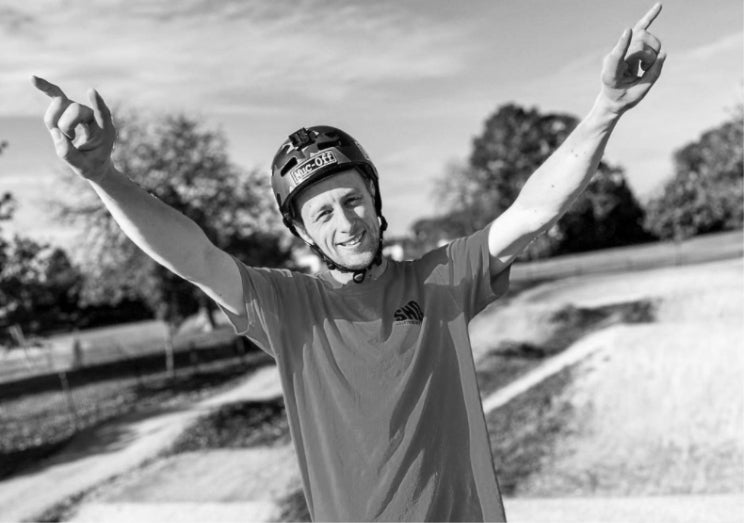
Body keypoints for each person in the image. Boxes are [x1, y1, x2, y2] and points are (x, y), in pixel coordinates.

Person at [33, 4, 665, 521]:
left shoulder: (440, 280)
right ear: (302, 231)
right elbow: (193, 256)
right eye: (324, 213)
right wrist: (104, 176)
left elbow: (532, 211)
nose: (346, 222)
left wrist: (606, 109)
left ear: (375, 200)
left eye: (353, 200)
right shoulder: (288, 307)